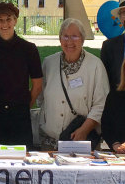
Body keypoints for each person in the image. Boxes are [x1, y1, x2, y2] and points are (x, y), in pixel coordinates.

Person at [37, 18, 109, 150]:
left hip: (81, 140)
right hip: (49, 140)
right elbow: (41, 98)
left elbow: (101, 104)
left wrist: (84, 130)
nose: (69, 41)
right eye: (65, 36)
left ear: (82, 39)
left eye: (75, 36)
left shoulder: (95, 66)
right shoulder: (49, 63)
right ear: (60, 39)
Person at [0, 2, 42, 148]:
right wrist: (0, 102)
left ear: (15, 21)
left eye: (8, 19)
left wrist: (24, 105)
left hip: (20, 114)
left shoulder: (29, 49)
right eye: (0, 20)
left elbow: (37, 84)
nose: (5, 24)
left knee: (21, 158)